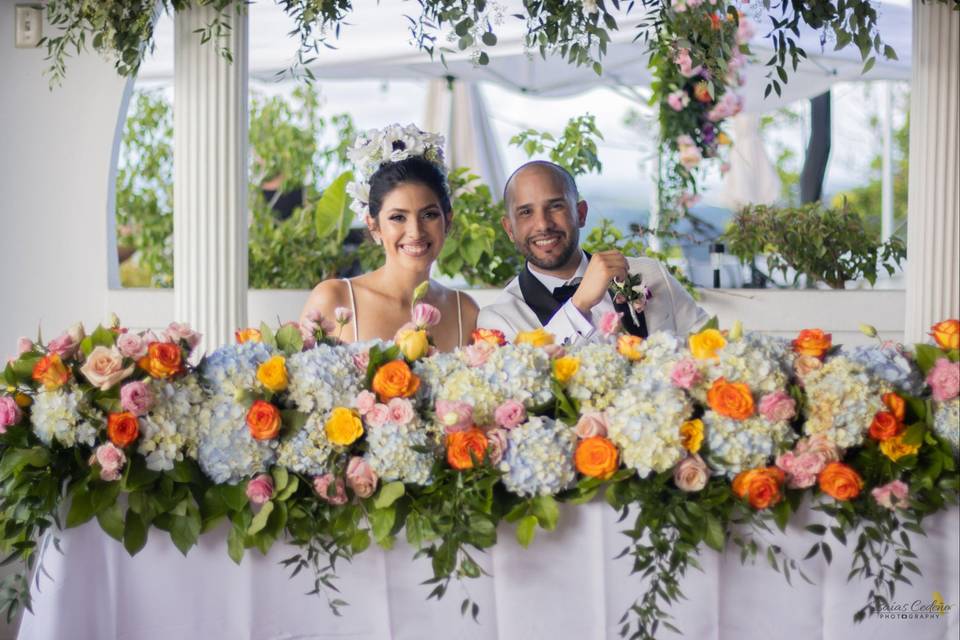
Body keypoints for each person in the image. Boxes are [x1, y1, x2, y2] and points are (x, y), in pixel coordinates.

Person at [477, 160, 707, 343]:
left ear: (581, 214)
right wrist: (579, 305)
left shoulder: (650, 273)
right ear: (509, 229)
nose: (543, 224)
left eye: (556, 206)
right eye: (526, 212)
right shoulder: (498, 319)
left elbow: (713, 349)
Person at [300, 126, 479, 351]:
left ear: (448, 221)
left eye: (429, 215)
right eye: (398, 217)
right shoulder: (335, 299)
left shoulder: (465, 311)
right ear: (374, 226)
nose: (415, 231)